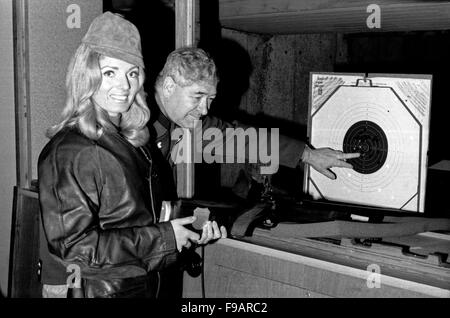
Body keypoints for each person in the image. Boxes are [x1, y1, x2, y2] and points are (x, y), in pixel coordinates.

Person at [38, 12, 226, 298]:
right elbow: (76, 249)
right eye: (110, 72)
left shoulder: (134, 140)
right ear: (87, 73)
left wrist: (190, 228)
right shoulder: (70, 150)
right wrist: (164, 237)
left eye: (132, 73)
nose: (124, 86)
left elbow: (136, 220)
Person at [149, 47, 360, 192]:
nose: (204, 110)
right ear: (169, 86)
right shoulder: (134, 124)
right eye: (197, 96)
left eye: (210, 99)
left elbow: (245, 140)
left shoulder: (187, 123)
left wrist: (308, 155)